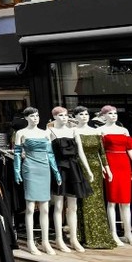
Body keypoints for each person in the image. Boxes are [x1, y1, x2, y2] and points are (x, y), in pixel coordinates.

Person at [14, 107, 61, 255]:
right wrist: (17, 171)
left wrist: (56, 172)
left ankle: (45, 241)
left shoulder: (46, 133)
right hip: (30, 168)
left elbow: (51, 154)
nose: (35, 118)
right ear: (26, 118)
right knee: (30, 207)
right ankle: (30, 241)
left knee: (45, 208)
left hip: (44, 168)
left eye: (37, 115)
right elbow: (16, 154)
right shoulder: (21, 133)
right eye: (32, 116)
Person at [48, 106, 93, 253]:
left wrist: (88, 170)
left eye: (66, 115)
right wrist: (54, 172)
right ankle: (59, 239)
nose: (64, 117)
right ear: (54, 117)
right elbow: (49, 155)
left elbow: (80, 152)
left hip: (74, 169)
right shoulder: (49, 132)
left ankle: (73, 238)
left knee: (73, 206)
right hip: (60, 169)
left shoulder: (74, 131)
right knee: (59, 206)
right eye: (60, 115)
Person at [74, 106, 117, 249]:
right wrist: (88, 170)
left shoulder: (96, 131)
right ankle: (87, 236)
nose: (84, 116)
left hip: (97, 169)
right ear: (76, 117)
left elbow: (102, 152)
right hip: (83, 167)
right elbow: (80, 153)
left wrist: (107, 168)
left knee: (98, 201)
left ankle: (102, 235)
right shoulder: (76, 131)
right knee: (86, 201)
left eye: (86, 114)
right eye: (81, 114)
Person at [98, 105, 132, 246]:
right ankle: (113, 233)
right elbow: (99, 151)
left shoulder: (124, 130)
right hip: (110, 164)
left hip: (124, 164)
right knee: (112, 200)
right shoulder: (100, 130)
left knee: (126, 201)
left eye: (115, 113)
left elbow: (130, 149)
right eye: (110, 113)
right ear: (104, 115)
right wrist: (103, 167)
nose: (113, 115)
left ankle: (128, 232)